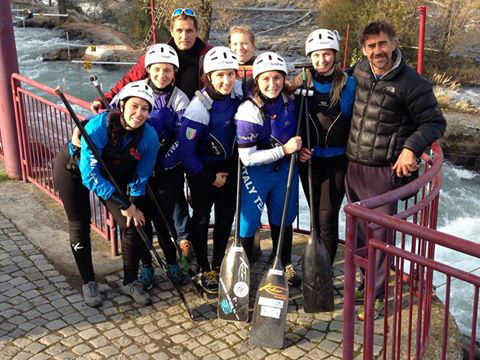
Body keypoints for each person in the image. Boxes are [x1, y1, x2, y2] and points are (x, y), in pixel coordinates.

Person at [345, 21, 446, 320]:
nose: (378, 51)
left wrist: (410, 148)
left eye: (383, 44)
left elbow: (435, 123)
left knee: (380, 234)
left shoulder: (413, 83)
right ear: (363, 50)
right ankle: (363, 283)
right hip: (354, 165)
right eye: (372, 46)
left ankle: (376, 296)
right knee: (358, 231)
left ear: (394, 43)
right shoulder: (360, 71)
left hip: (383, 172)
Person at [54, 81, 159, 306]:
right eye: (134, 106)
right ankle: (88, 282)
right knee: (80, 224)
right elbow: (89, 176)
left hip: (107, 175)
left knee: (131, 223)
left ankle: (130, 281)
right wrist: (124, 203)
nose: (139, 113)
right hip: (73, 171)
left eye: (145, 108)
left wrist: (132, 204)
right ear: (121, 105)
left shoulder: (149, 137)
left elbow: (142, 175)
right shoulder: (97, 128)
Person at [108, 44, 190, 290]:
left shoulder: (179, 98)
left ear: (174, 72)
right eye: (156, 70)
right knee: (142, 219)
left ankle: (172, 262)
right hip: (136, 168)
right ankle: (146, 266)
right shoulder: (133, 92)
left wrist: (163, 161)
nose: (161, 75)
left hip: (166, 167)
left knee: (164, 220)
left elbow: (183, 136)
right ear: (148, 70)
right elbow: (113, 119)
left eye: (167, 70)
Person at [163, 46, 241, 295]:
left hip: (228, 167)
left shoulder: (238, 95)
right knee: (201, 217)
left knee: (226, 217)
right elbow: (186, 153)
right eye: (220, 75)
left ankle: (218, 263)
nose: (226, 81)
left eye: (230, 74)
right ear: (208, 76)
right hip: (201, 169)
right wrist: (209, 178)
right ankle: (203, 266)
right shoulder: (199, 107)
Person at [234, 52, 303, 287]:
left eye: (277, 78)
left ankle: (283, 261)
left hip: (285, 171)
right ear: (257, 81)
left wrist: (302, 150)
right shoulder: (248, 110)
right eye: (265, 79)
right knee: (248, 221)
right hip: (256, 173)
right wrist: (284, 150)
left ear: (284, 79)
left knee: (283, 217)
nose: (272, 84)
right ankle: (241, 268)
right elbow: (248, 158)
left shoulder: (291, 103)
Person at [298, 29, 356, 265]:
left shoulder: (349, 84)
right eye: (316, 55)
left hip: (337, 161)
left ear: (334, 54)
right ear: (310, 57)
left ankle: (324, 269)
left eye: (327, 54)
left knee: (328, 218)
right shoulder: (302, 81)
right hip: (309, 160)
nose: (322, 60)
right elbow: (292, 118)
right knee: (314, 218)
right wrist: (299, 146)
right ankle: (315, 262)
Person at [90, 7, 211, 111]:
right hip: (164, 117)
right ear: (171, 31)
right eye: (179, 30)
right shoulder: (157, 54)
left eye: (189, 30)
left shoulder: (209, 55)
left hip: (197, 119)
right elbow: (130, 79)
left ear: (197, 31)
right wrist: (105, 99)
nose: (184, 36)